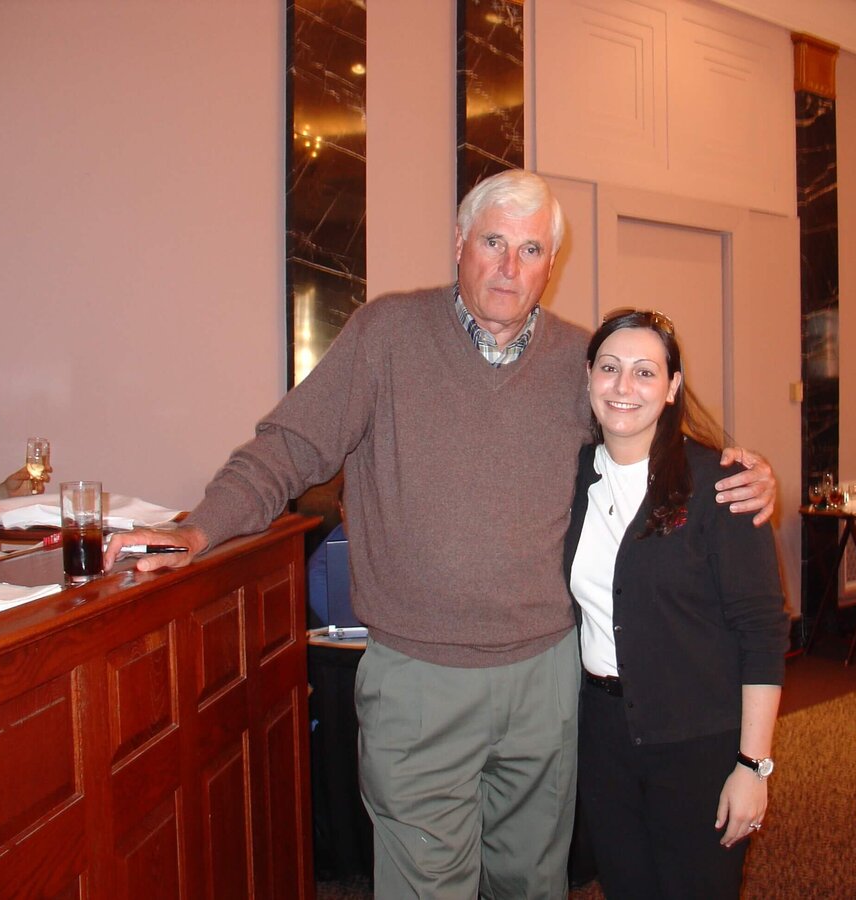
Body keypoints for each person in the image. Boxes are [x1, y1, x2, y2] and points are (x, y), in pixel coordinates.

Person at [104, 169, 778, 899]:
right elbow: (287, 447)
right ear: (459, 243)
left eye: (530, 250)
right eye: (493, 242)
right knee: (427, 886)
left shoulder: (580, 365)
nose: (509, 267)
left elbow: (651, 437)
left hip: (545, 680)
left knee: (531, 882)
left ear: (551, 265)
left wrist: (744, 469)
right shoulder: (386, 335)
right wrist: (200, 529)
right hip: (420, 678)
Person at [564, 309, 788, 899]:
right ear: (589, 377)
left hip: (698, 743)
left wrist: (752, 766)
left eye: (645, 372)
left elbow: (762, 633)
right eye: (609, 368)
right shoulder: (570, 480)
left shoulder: (720, 484)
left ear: (672, 388)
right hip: (604, 737)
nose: (623, 386)